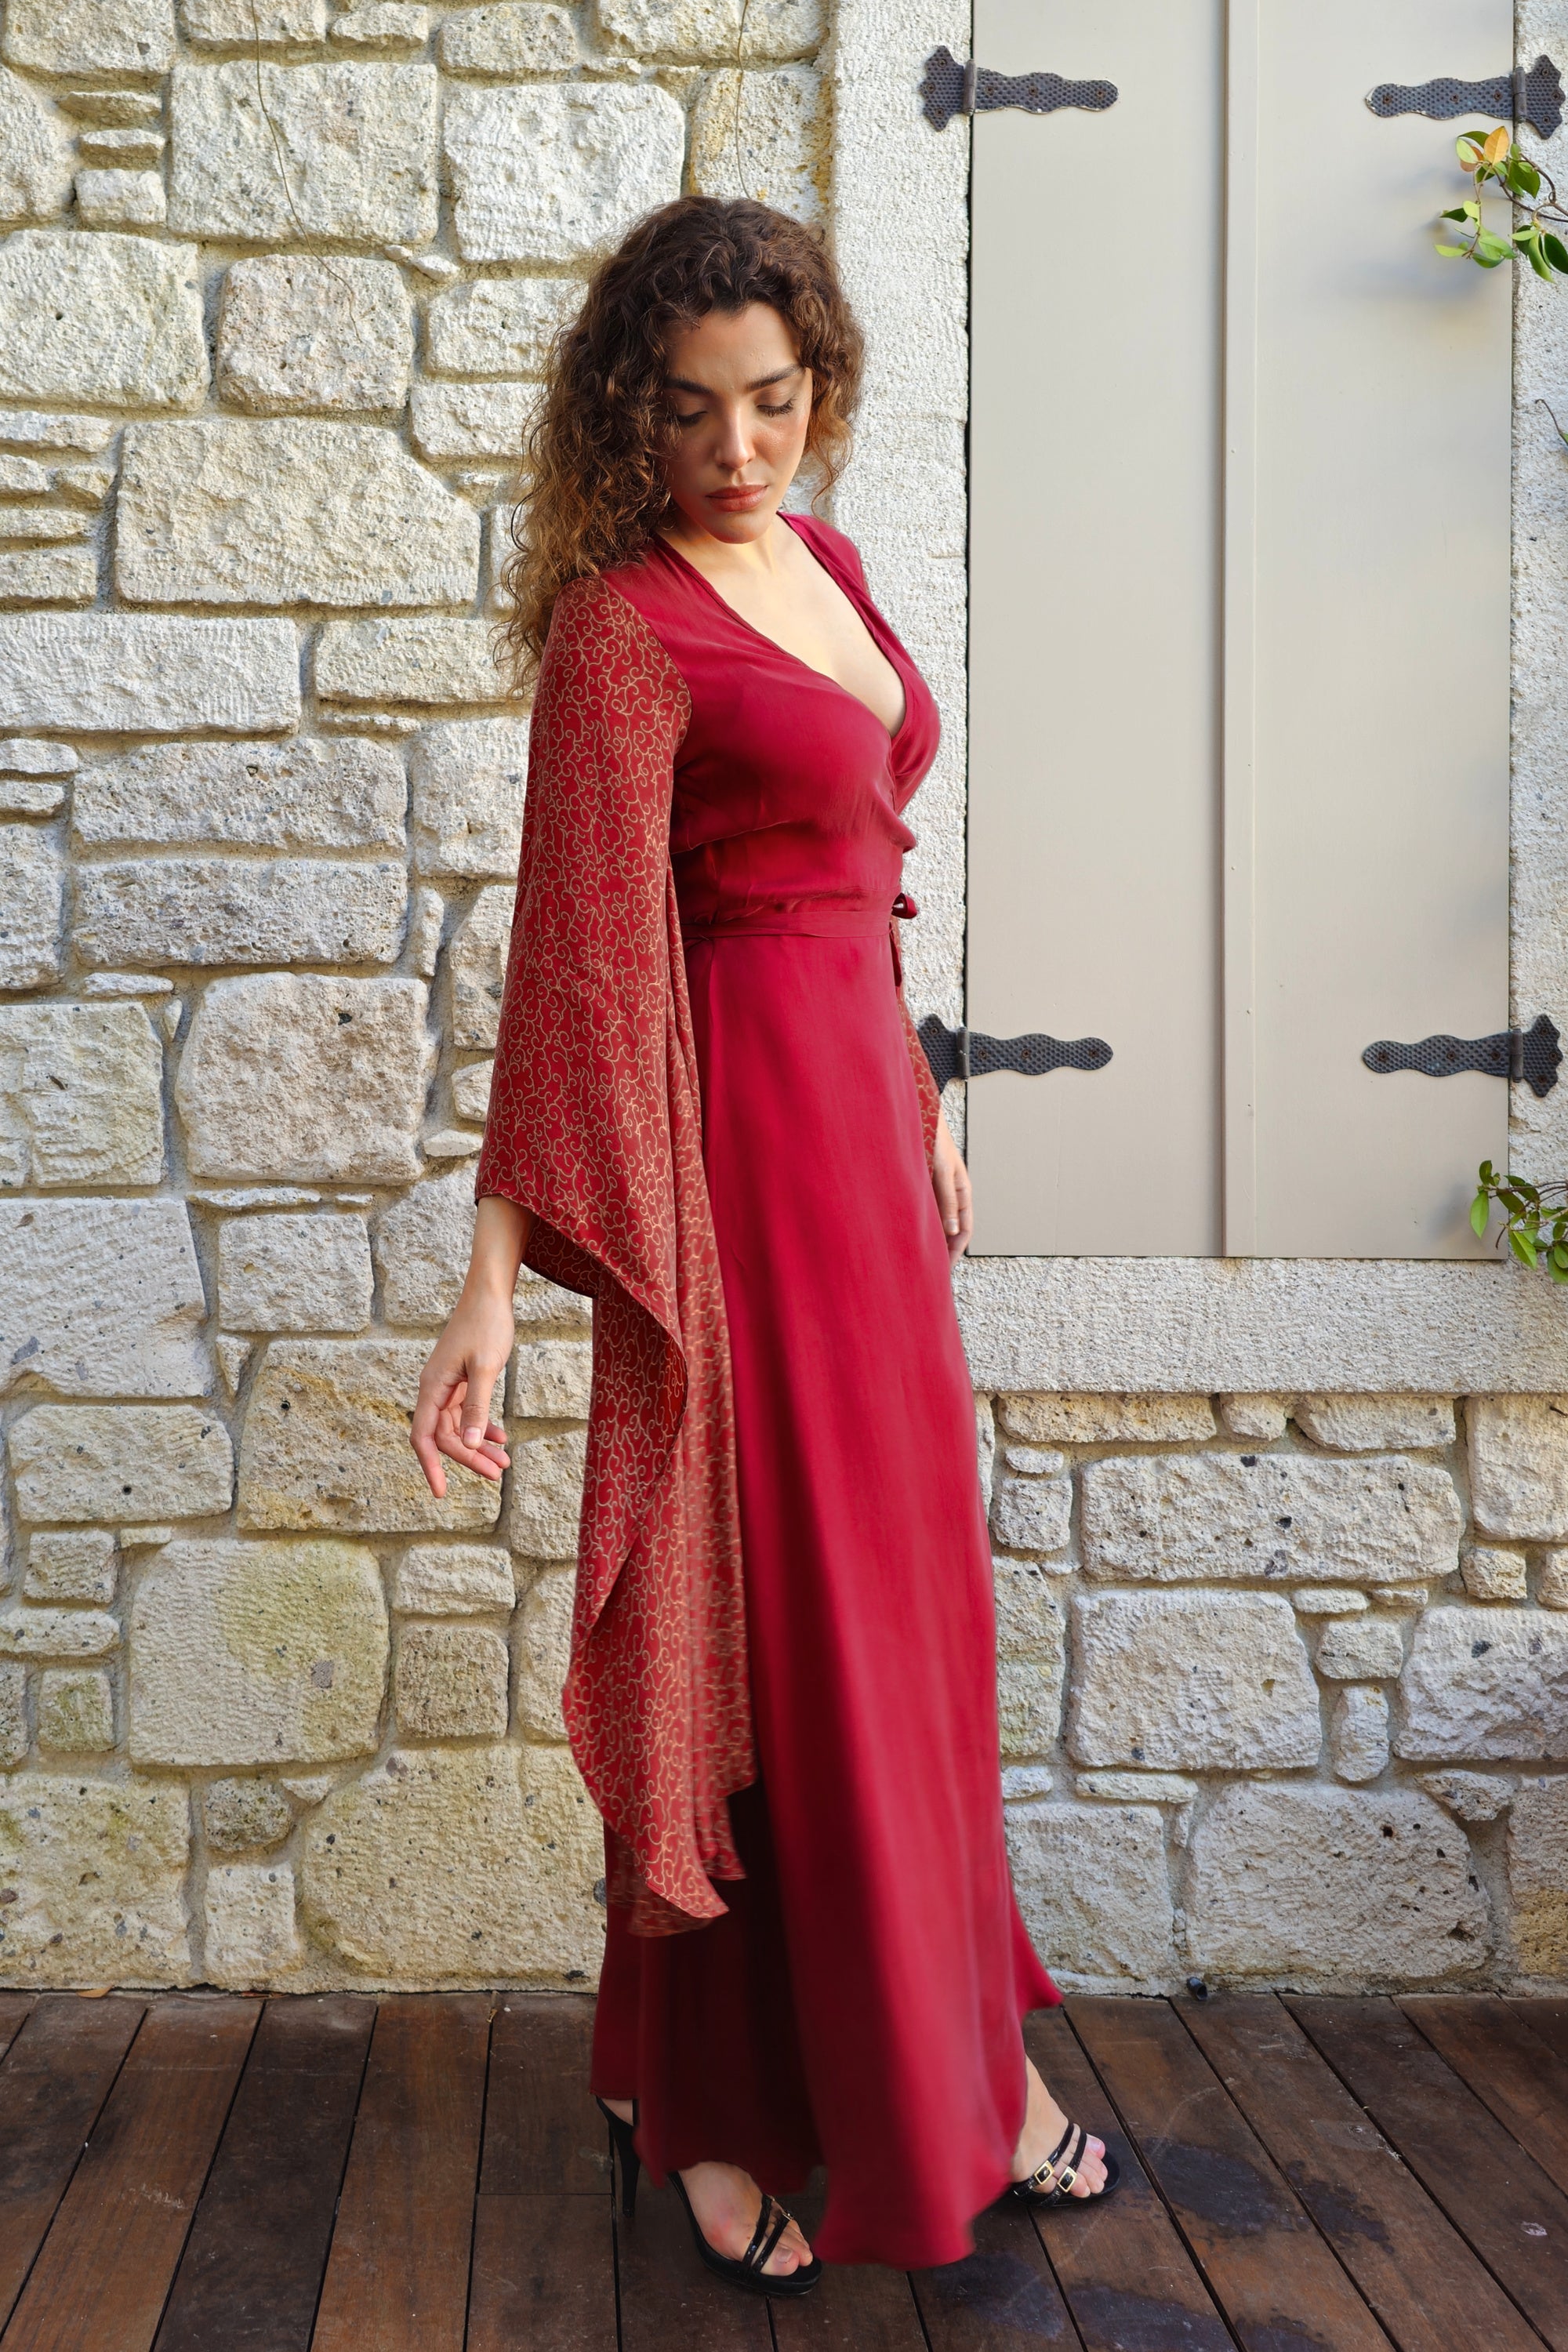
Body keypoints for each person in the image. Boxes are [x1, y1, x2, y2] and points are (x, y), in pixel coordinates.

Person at [411, 194, 1116, 2292]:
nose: (740, 447)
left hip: (866, 1156)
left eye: (777, 401)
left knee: (912, 1620)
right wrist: (488, 1290)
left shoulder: (833, 566)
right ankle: (712, 2100)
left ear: (822, 388)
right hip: (738, 1172)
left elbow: (864, 877)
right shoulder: (621, 631)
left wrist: (922, 1093)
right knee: (781, 1630)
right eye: (695, 408)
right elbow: (570, 975)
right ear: (630, 410)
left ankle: (961, 2067)